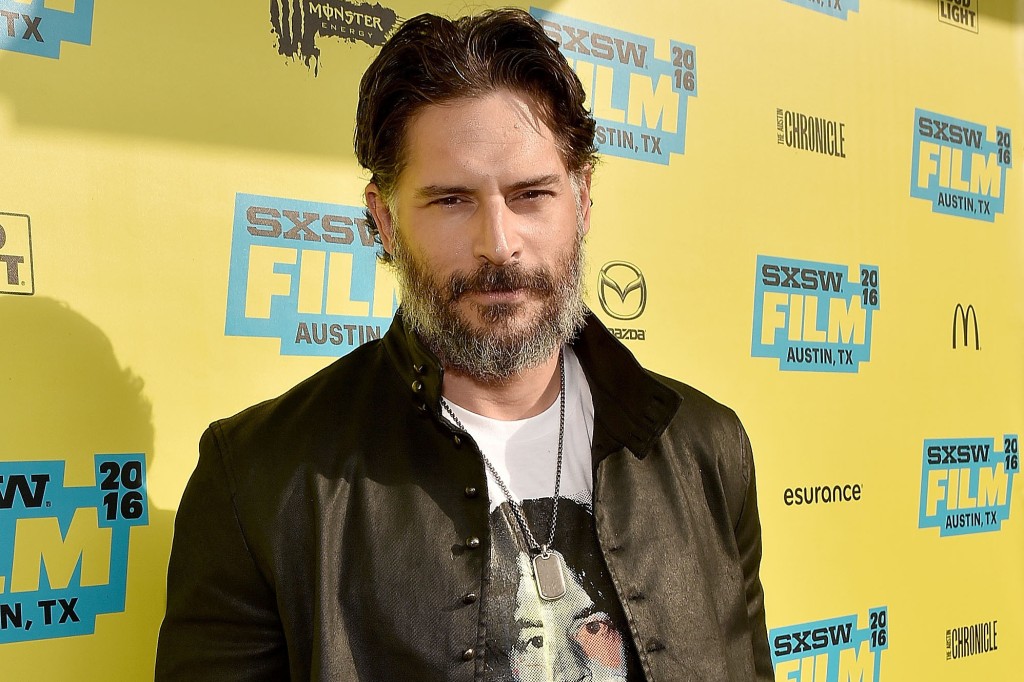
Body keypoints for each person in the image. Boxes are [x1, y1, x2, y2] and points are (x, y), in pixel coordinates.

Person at [156, 8, 772, 681]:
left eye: (531, 193)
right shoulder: (260, 482)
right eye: (451, 200)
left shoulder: (706, 450)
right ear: (383, 222)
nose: (498, 243)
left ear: (583, 199)